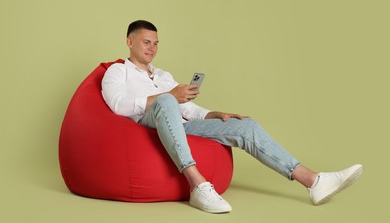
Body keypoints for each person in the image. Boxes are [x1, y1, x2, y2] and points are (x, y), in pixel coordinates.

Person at [101, 20, 363, 213]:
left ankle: (313, 181)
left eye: (156, 43)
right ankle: (197, 185)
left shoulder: (162, 76)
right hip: (146, 125)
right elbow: (118, 106)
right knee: (168, 100)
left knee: (244, 125)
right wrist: (168, 96)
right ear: (130, 42)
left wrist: (215, 114)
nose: (152, 48)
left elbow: (187, 110)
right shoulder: (117, 71)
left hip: (179, 125)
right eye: (146, 42)